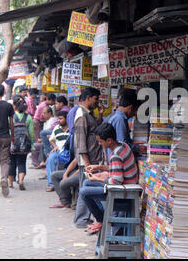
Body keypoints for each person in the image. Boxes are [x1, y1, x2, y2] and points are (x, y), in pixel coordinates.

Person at [80, 123, 138, 234]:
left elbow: (116, 181)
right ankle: (101, 218)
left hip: (122, 192)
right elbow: (118, 168)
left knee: (84, 192)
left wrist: (98, 178)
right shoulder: (123, 146)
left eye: (100, 141)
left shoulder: (115, 155)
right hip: (125, 186)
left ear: (109, 141)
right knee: (86, 183)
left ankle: (101, 219)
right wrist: (100, 167)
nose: (99, 144)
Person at [74, 87, 104, 228]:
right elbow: (81, 142)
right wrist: (87, 163)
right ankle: (81, 220)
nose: (97, 102)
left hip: (92, 159)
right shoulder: (81, 115)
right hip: (89, 160)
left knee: (85, 188)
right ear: (87, 98)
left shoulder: (88, 114)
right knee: (85, 189)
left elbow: (93, 131)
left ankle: (82, 219)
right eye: (95, 99)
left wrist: (100, 116)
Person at [106, 88, 145, 157]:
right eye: (136, 110)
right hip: (117, 159)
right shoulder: (120, 119)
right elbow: (122, 144)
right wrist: (138, 148)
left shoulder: (116, 116)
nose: (135, 114)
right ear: (131, 108)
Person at [9, 95, 34, 190]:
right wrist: (31, 144)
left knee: (12, 163)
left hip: (13, 144)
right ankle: (21, 181)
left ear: (14, 106)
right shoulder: (28, 117)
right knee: (22, 162)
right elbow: (31, 133)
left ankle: (10, 183)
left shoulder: (11, 117)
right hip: (24, 145)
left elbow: (9, 130)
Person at [45, 111, 69, 192]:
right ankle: (51, 184)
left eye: (61, 119)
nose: (59, 120)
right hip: (59, 151)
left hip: (68, 151)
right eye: (58, 119)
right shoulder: (57, 128)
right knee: (51, 158)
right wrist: (55, 146)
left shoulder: (71, 128)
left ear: (66, 119)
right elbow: (51, 140)